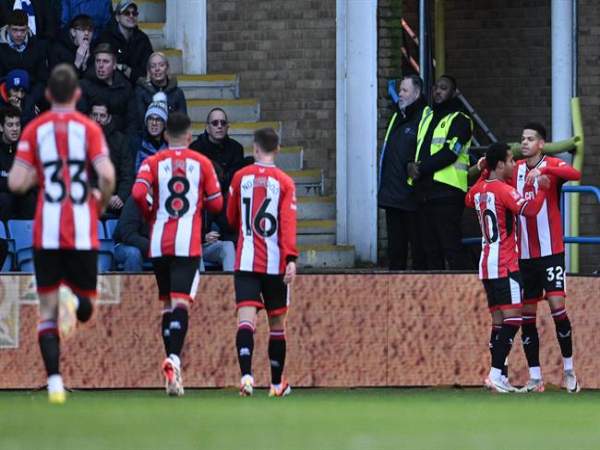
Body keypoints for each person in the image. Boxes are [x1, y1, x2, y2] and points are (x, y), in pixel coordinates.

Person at [8, 64, 115, 404]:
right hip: (82, 230)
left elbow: (14, 183)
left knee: (47, 310)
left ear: (49, 95)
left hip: (47, 232)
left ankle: (54, 381)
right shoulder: (88, 129)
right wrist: (97, 204)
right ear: (78, 95)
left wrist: (37, 177)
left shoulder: (34, 130)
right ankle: (78, 300)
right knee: (86, 308)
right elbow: (108, 176)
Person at [131, 111, 222, 396]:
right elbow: (217, 203)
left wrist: (149, 212)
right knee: (181, 304)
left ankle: (172, 368)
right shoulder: (202, 162)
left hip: (159, 242)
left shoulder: (153, 162)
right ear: (191, 136)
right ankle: (174, 359)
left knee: (167, 305)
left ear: (166, 135)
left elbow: (136, 193)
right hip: (187, 243)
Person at [465, 143, 548, 393]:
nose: (514, 164)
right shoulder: (503, 191)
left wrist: (482, 171)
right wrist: (542, 190)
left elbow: (468, 199)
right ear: (499, 165)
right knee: (514, 320)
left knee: (499, 323)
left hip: (486, 265)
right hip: (505, 264)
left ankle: (499, 376)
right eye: (510, 160)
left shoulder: (479, 190)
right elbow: (530, 210)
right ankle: (494, 374)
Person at [226, 127, 298, 398]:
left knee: (245, 321)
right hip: (274, 264)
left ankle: (246, 376)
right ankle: (277, 384)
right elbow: (288, 223)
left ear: (254, 149)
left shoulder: (239, 177)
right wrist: (291, 258)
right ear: (277, 150)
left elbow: (231, 217)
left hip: (245, 262)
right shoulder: (285, 182)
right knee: (277, 325)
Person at [513, 123, 581, 393]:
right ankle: (535, 377)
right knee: (527, 316)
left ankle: (569, 371)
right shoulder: (516, 169)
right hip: (525, 256)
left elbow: (574, 172)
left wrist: (546, 170)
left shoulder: (551, 165)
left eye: (530, 139)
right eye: (523, 139)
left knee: (557, 309)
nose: (525, 142)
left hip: (551, 252)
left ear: (541, 144)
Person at [408, 75, 473, 270]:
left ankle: (461, 295)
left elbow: (450, 153)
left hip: (447, 193)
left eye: (443, 88)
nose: (437, 91)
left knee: (451, 246)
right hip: (424, 193)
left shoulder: (460, 119)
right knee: (429, 250)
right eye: (436, 87)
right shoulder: (427, 117)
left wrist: (420, 168)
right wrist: (408, 166)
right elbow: (418, 148)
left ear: (454, 93)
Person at [378, 74, 426, 270]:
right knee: (395, 250)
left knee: (418, 249)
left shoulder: (424, 117)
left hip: (412, 195)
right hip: (393, 194)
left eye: (405, 90)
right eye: (399, 90)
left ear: (417, 93)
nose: (400, 94)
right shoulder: (398, 117)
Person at [78, 42, 137, 134]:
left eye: (105, 61)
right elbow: (81, 118)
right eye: (98, 61)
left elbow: (132, 122)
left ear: (114, 65)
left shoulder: (125, 87)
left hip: (118, 141)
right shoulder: (84, 86)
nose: (100, 65)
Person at [89, 101, 133, 216]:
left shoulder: (121, 141)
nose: (98, 119)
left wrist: (121, 196)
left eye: (102, 116)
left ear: (109, 118)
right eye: (95, 115)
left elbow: (127, 174)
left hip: (118, 201)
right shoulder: (83, 141)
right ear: (90, 117)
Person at [190, 107, 246, 195]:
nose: (219, 126)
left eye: (223, 123)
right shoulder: (195, 149)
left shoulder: (236, 148)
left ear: (227, 127)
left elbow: (235, 181)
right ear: (207, 128)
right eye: (215, 123)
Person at [0, 10, 48, 104]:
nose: (19, 34)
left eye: (22, 30)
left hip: (32, 96)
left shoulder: (37, 47)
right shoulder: (1, 48)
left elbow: (42, 79)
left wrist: (30, 101)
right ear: (8, 28)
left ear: (27, 28)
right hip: (5, 95)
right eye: (15, 30)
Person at [99, 1, 152, 84]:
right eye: (126, 13)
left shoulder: (142, 39)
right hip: (113, 85)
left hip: (137, 84)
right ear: (117, 17)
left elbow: (148, 67)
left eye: (134, 13)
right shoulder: (107, 37)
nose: (131, 16)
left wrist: (126, 69)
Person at [134, 51, 187, 130]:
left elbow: (182, 121)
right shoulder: (141, 92)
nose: (157, 69)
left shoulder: (177, 93)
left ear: (167, 68)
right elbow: (140, 122)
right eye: (153, 66)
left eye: (161, 65)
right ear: (149, 71)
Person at [0, 105, 35, 219]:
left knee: (31, 198)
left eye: (17, 124)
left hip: (22, 196)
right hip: (4, 198)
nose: (15, 129)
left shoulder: (26, 148)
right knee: (5, 200)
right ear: (1, 127)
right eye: (10, 125)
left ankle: (28, 235)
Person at [113, 196, 149, 272]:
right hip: (123, 244)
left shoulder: (165, 203)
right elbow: (128, 235)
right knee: (133, 253)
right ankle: (133, 284)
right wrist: (152, 247)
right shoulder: (135, 201)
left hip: (149, 247)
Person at [132, 99, 168, 171]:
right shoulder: (137, 143)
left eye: (158, 119)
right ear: (146, 122)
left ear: (164, 124)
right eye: (151, 119)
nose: (154, 123)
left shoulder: (170, 144)